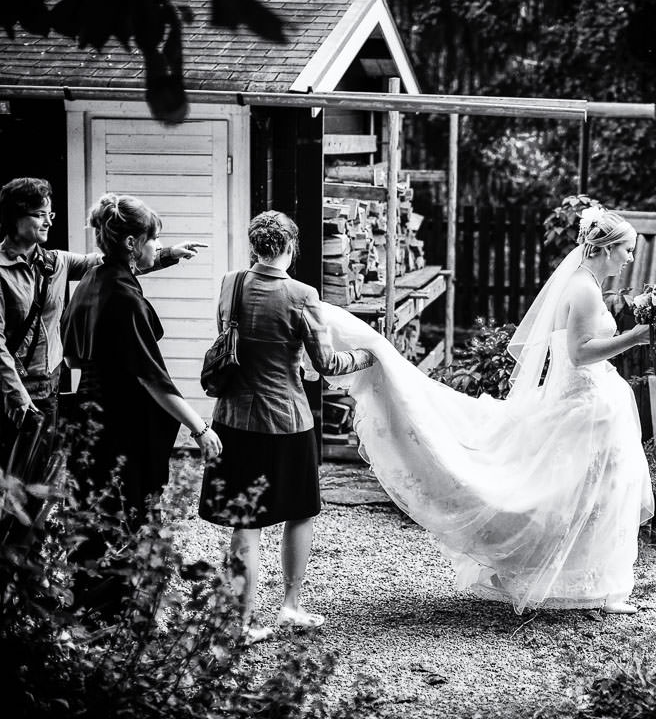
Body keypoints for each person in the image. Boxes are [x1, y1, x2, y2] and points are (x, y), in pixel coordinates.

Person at [320, 205, 654, 614]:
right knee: (572, 494)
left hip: (590, 402)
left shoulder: (586, 283)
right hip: (581, 403)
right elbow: (580, 353)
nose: (631, 259)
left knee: (589, 493)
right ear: (604, 248)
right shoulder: (583, 289)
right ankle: (569, 580)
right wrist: (636, 338)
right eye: (628, 250)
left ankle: (590, 583)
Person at [198, 211, 376, 641]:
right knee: (298, 511)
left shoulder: (230, 283)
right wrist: (369, 355)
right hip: (285, 419)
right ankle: (290, 607)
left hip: (233, 418)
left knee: (246, 520)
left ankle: (240, 623)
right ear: (292, 248)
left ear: (253, 246)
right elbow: (327, 363)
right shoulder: (302, 294)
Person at [61, 193, 222, 615]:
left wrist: (169, 253)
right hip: (120, 428)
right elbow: (153, 379)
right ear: (132, 243)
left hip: (89, 420)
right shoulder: (124, 297)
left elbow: (75, 356)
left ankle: (89, 619)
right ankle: (119, 628)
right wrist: (200, 429)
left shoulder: (93, 281)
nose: (155, 247)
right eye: (152, 240)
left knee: (93, 522)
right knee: (126, 523)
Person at [0, 177, 205, 482]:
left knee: (38, 487)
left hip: (49, 390)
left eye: (50, 215)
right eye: (39, 215)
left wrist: (168, 254)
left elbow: (115, 260)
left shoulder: (56, 263)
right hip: (12, 394)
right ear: (15, 217)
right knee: (9, 484)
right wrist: (18, 400)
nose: (47, 222)